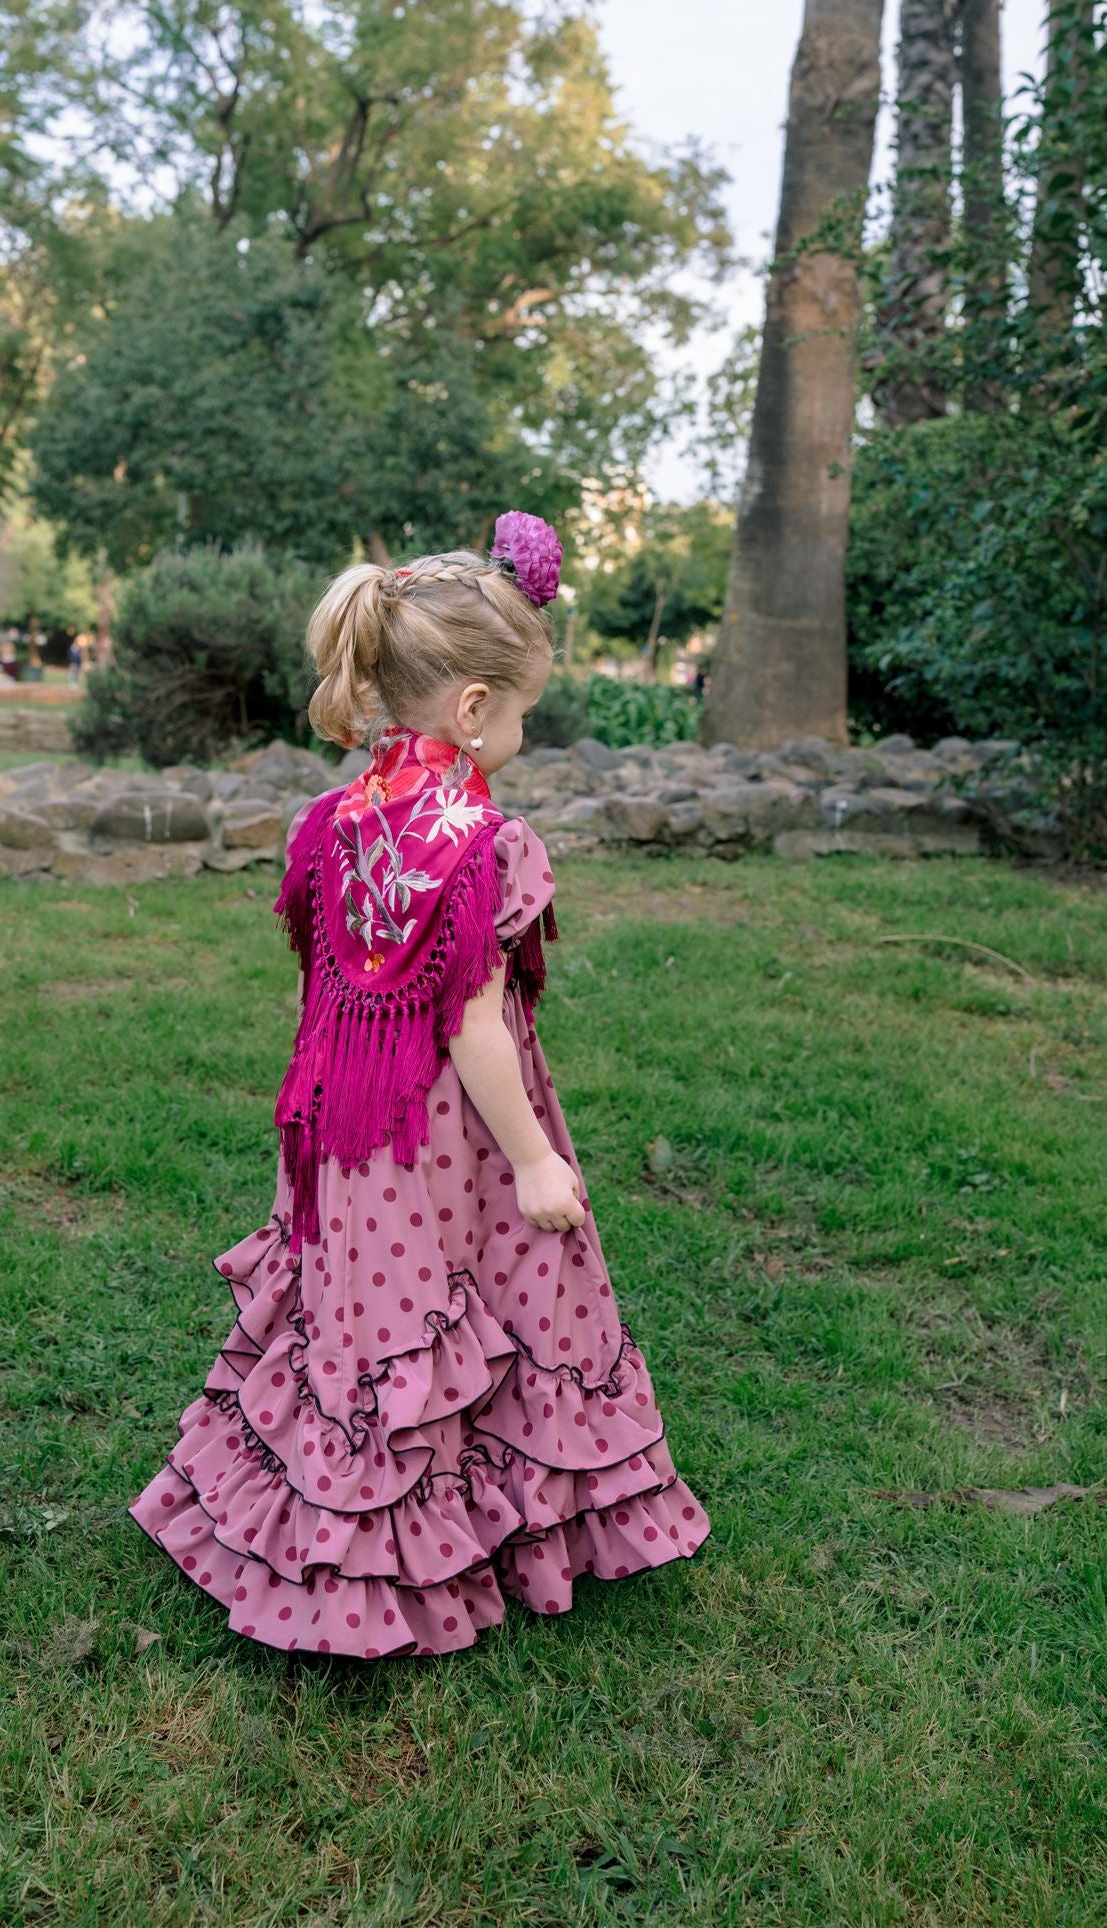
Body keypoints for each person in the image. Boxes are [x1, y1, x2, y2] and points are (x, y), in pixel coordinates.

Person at [127, 514, 710, 1657]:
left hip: (353, 1133)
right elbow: (476, 1023)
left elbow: (334, 985)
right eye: (527, 709)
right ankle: (440, 1556)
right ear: (474, 707)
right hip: (460, 1137)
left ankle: (362, 1527)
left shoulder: (333, 823)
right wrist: (536, 1152)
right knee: (501, 1292)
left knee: (381, 1320)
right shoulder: (485, 842)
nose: (529, 732)